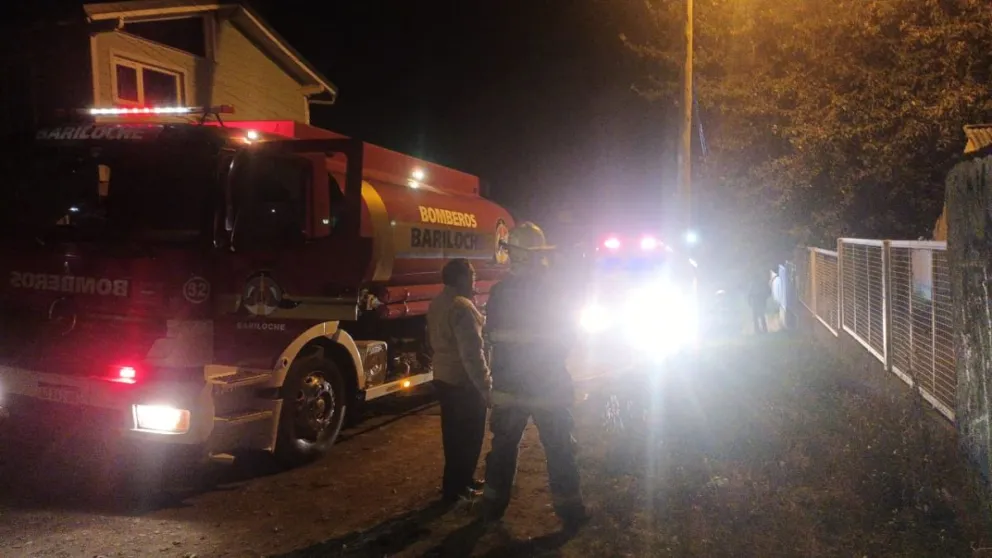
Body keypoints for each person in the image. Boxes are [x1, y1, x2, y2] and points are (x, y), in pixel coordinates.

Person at [479, 222, 588, 531]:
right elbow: (568, 337)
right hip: (548, 386)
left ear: (514, 254)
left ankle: (491, 507)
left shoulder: (500, 293)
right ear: (539, 255)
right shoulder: (554, 292)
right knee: (559, 449)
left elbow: (490, 336)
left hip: (509, 388)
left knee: (503, 448)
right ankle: (570, 510)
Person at [426, 258, 491, 503]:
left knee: (452, 437)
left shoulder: (439, 302)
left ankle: (454, 484)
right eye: (473, 277)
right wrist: (485, 387)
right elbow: (472, 355)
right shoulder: (462, 307)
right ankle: (461, 486)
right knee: (469, 437)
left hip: (443, 376)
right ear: (463, 279)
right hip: (463, 382)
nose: (475, 282)